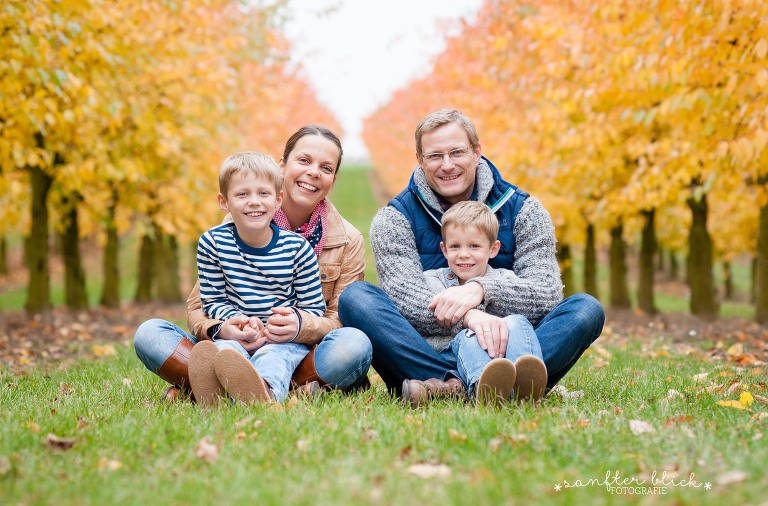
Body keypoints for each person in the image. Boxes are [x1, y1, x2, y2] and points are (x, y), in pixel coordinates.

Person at [338, 108, 604, 405]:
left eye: (457, 153)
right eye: (435, 156)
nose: (447, 165)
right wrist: (468, 316)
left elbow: (545, 294)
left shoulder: (525, 210)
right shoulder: (394, 219)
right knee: (357, 299)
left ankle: (450, 389)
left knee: (586, 309)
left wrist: (480, 290)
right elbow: (404, 300)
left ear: (477, 152)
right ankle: (496, 388)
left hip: (511, 345)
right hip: (430, 351)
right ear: (421, 161)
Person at [134, 125, 372, 403]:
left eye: (326, 168)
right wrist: (225, 328)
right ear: (282, 166)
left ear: (333, 178)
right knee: (149, 334)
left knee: (355, 345)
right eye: (304, 160)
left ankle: (218, 389)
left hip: (295, 350)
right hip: (233, 340)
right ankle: (277, 390)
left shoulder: (346, 240)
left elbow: (336, 320)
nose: (314, 172)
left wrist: (297, 326)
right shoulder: (235, 225)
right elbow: (201, 306)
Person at [187, 151, 326, 405]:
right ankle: (217, 396)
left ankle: (265, 395)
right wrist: (235, 326)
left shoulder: (297, 248)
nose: (254, 202)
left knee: (272, 358)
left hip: (281, 339)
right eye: (242, 194)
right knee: (223, 352)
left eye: (263, 193)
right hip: (237, 334)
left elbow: (314, 308)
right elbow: (213, 300)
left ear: (278, 199)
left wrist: (287, 325)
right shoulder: (213, 243)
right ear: (224, 202)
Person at [401, 200, 547, 407]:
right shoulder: (433, 280)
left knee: (518, 321)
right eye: (455, 246)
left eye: (474, 246)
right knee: (470, 335)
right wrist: (473, 319)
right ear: (444, 249)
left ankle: (526, 384)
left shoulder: (504, 279)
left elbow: (530, 303)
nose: (463, 254)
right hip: (452, 353)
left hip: (502, 349)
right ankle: (485, 388)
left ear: (493, 249)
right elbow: (429, 310)